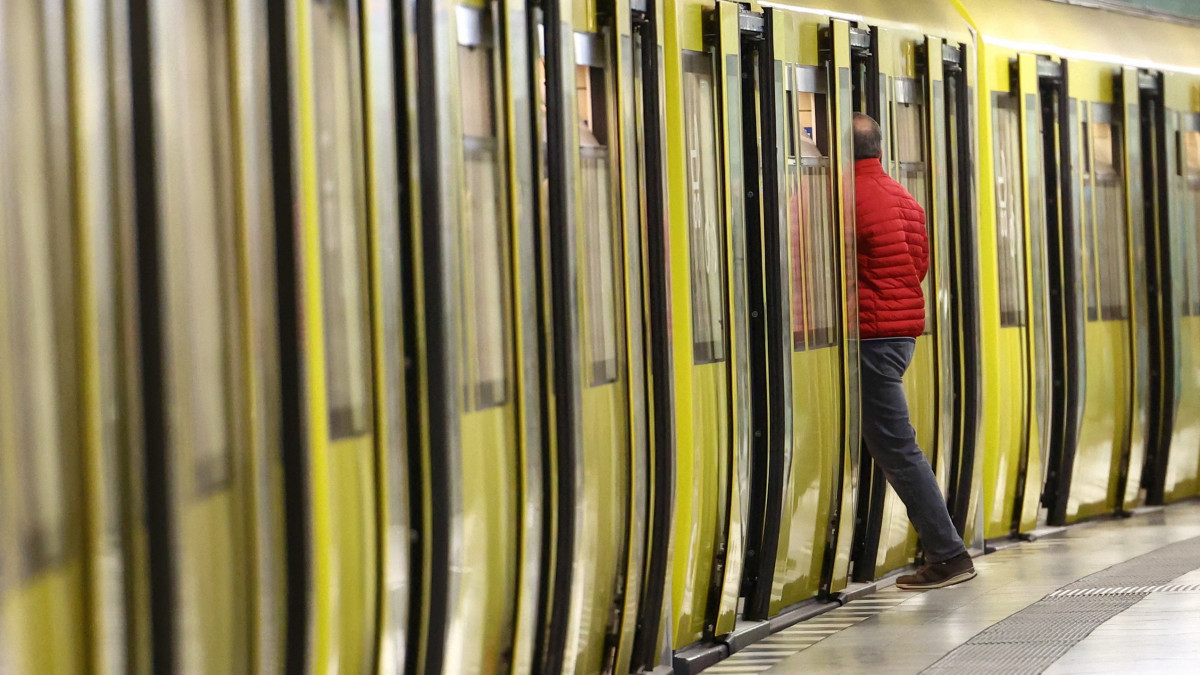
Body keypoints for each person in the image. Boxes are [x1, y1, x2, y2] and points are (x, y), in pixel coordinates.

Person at [851, 112, 976, 590]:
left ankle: (948, 554)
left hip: (869, 336)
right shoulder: (903, 198)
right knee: (891, 445)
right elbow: (917, 266)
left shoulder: (842, 198)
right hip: (899, 335)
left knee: (898, 448)